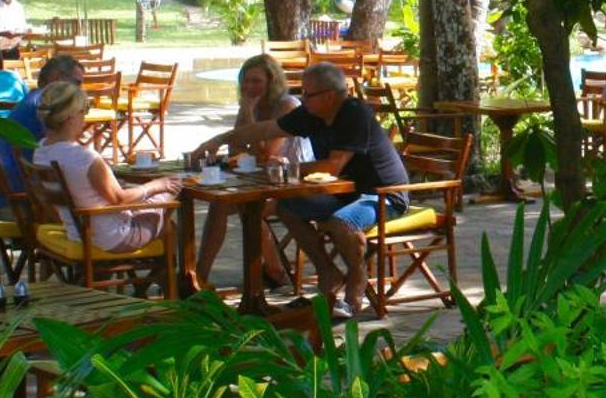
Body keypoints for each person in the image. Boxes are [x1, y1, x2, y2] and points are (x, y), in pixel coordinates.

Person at [190, 61, 409, 320]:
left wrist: (286, 169)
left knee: (343, 223)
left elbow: (333, 166)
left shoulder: (354, 113)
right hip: (343, 193)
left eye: (308, 94)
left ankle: (355, 288)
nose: (302, 99)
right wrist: (219, 139)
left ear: (329, 95)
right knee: (287, 207)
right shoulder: (312, 113)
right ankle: (327, 271)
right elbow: (266, 128)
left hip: (382, 195)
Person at [192, 54, 309, 290]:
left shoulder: (286, 106)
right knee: (220, 203)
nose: (249, 87)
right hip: (266, 180)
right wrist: (246, 113)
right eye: (245, 81)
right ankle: (199, 277)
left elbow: (263, 154)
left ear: (271, 81)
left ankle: (274, 270)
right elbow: (237, 147)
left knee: (248, 205)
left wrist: (246, 112)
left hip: (297, 182)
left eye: (256, 81)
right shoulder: (251, 105)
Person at [31, 82, 180, 253]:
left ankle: (107, 275)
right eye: (83, 111)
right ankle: (179, 276)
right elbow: (119, 199)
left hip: (78, 231)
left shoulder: (40, 151)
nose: (85, 117)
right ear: (69, 118)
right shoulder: (85, 157)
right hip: (112, 237)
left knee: (165, 221)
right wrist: (156, 186)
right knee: (172, 188)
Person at [0, 54, 84, 197]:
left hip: (11, 194)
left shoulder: (34, 98)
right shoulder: (45, 104)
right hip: (26, 198)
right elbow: (65, 152)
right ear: (58, 78)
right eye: (77, 82)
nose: (80, 90)